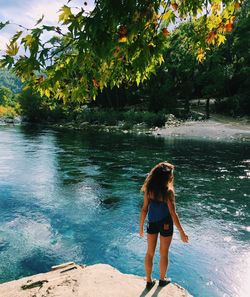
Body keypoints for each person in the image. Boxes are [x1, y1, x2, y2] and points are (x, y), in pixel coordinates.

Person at [139, 161, 189, 290]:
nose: (172, 176)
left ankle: (149, 281)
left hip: (152, 223)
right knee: (164, 253)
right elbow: (173, 213)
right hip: (166, 224)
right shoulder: (168, 192)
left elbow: (144, 209)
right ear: (166, 177)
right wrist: (182, 232)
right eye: (171, 174)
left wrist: (140, 228)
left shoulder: (149, 189)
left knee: (149, 253)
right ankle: (162, 280)